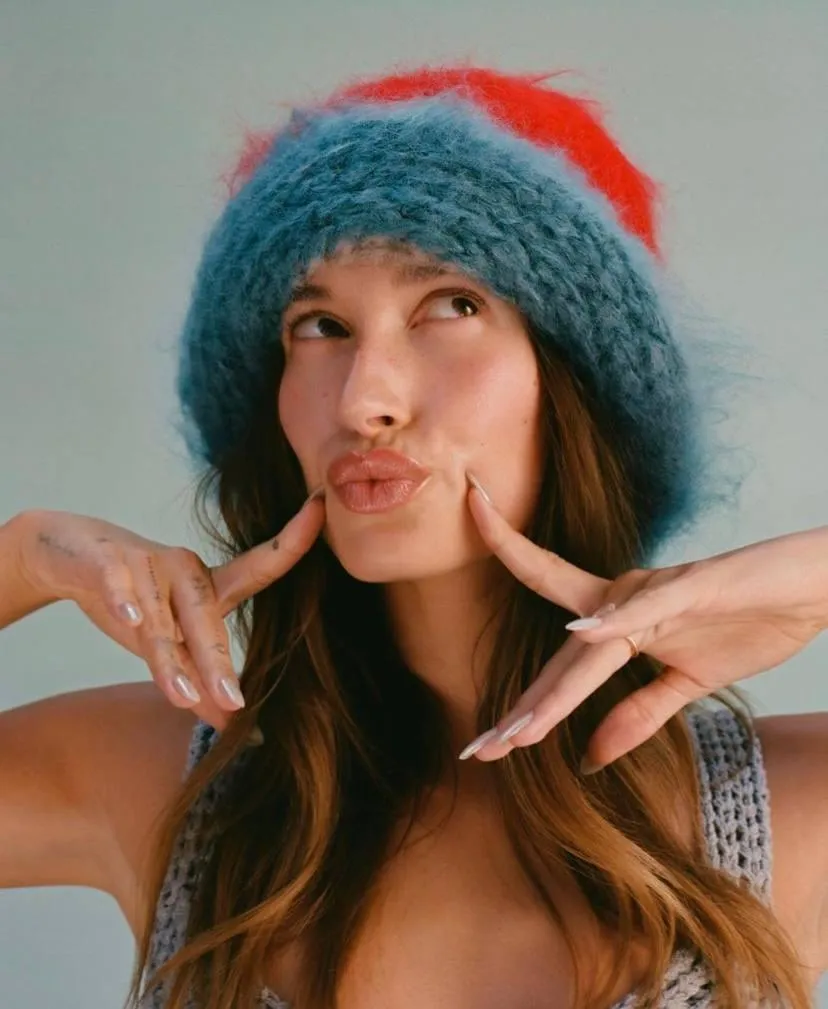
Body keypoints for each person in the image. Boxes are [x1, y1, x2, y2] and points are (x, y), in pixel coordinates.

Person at [0, 64, 826, 1009]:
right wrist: (25, 555)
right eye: (320, 325)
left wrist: (812, 581)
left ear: (571, 385)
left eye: (452, 305)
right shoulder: (172, 785)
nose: (365, 399)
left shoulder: (780, 811)